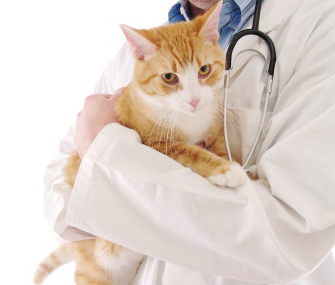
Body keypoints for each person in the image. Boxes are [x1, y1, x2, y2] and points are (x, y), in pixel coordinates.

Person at [44, 0, 335, 284]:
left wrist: (106, 149)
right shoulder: (138, 51)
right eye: (170, 77)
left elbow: (289, 237)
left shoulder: (319, 24)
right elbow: (60, 195)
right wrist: (106, 161)